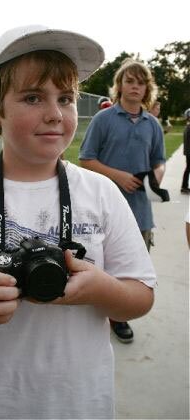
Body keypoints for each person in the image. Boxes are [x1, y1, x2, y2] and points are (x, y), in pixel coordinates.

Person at [0, 26, 156, 420]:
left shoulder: (101, 194)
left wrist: (99, 288)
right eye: (33, 97)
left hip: (84, 406)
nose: (54, 114)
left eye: (65, 98)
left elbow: (141, 297)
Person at [79, 59, 165, 344]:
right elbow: (86, 159)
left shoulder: (152, 124)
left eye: (141, 82)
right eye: (130, 81)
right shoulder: (103, 120)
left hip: (140, 209)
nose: (135, 87)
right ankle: (100, 312)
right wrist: (118, 176)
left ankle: (119, 315)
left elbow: (158, 161)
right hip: (102, 209)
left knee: (132, 268)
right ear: (120, 86)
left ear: (147, 88)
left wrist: (157, 176)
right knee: (102, 263)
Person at [181, 108, 190, 194]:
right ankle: (184, 187)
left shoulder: (187, 126)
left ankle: (184, 186)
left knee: (188, 169)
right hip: (189, 152)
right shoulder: (189, 127)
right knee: (188, 169)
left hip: (188, 152)